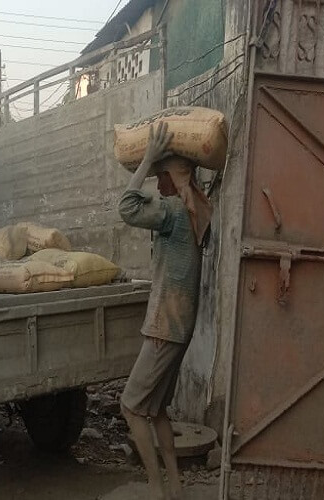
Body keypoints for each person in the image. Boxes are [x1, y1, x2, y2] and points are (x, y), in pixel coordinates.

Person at [117, 123, 213, 500]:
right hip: (178, 326)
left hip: (164, 327)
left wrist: (146, 160)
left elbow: (126, 207)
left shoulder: (173, 210)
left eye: (162, 177)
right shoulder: (193, 211)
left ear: (177, 179)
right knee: (155, 411)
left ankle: (157, 491)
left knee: (131, 406)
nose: (157, 185)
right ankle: (174, 488)